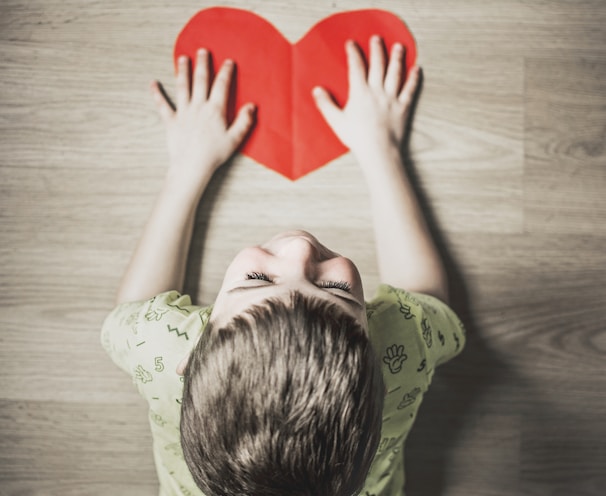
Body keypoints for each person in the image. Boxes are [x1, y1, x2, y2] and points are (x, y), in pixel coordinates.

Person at [101, 35, 466, 496]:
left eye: (257, 280)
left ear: (190, 357)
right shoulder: (399, 352)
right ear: (376, 347)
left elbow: (131, 311)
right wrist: (381, 149)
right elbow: (428, 300)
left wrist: (187, 168)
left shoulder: (161, 350)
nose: (299, 248)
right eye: (335, 291)